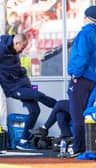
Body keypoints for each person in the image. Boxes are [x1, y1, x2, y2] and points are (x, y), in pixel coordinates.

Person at [0, 33, 57, 150]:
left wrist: (26, 79)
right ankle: (60, 106)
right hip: (14, 89)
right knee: (39, 95)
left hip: (24, 85)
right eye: (22, 47)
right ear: (16, 43)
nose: (22, 50)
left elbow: (17, 71)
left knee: (35, 110)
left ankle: (23, 142)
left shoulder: (14, 52)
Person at [67, 5, 96, 157]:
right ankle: (89, 146)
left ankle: (78, 147)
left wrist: (76, 74)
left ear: (88, 18)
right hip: (93, 81)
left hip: (82, 79)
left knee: (77, 114)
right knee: (89, 113)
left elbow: (82, 56)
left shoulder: (85, 34)